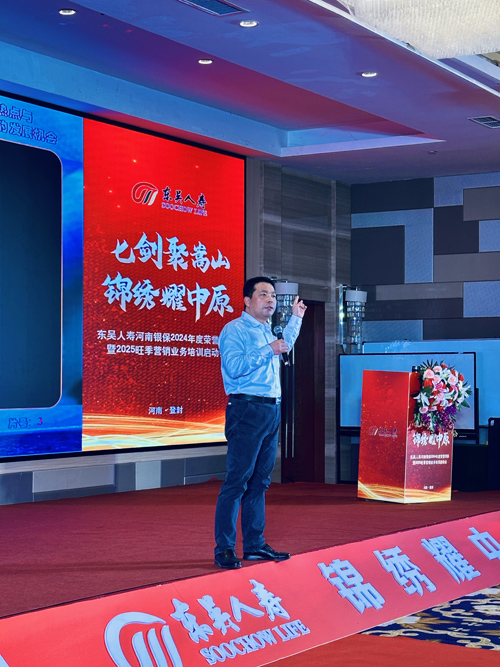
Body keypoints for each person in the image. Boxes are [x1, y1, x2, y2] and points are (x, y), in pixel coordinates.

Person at [214, 276, 307, 569]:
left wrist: (295, 319)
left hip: (271, 410)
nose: (270, 300)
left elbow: (284, 345)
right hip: (246, 409)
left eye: (273, 296)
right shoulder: (235, 330)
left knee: (260, 482)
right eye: (263, 294)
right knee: (237, 481)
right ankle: (224, 548)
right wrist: (269, 349)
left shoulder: (269, 330)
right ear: (247, 300)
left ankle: (254, 545)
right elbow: (234, 367)